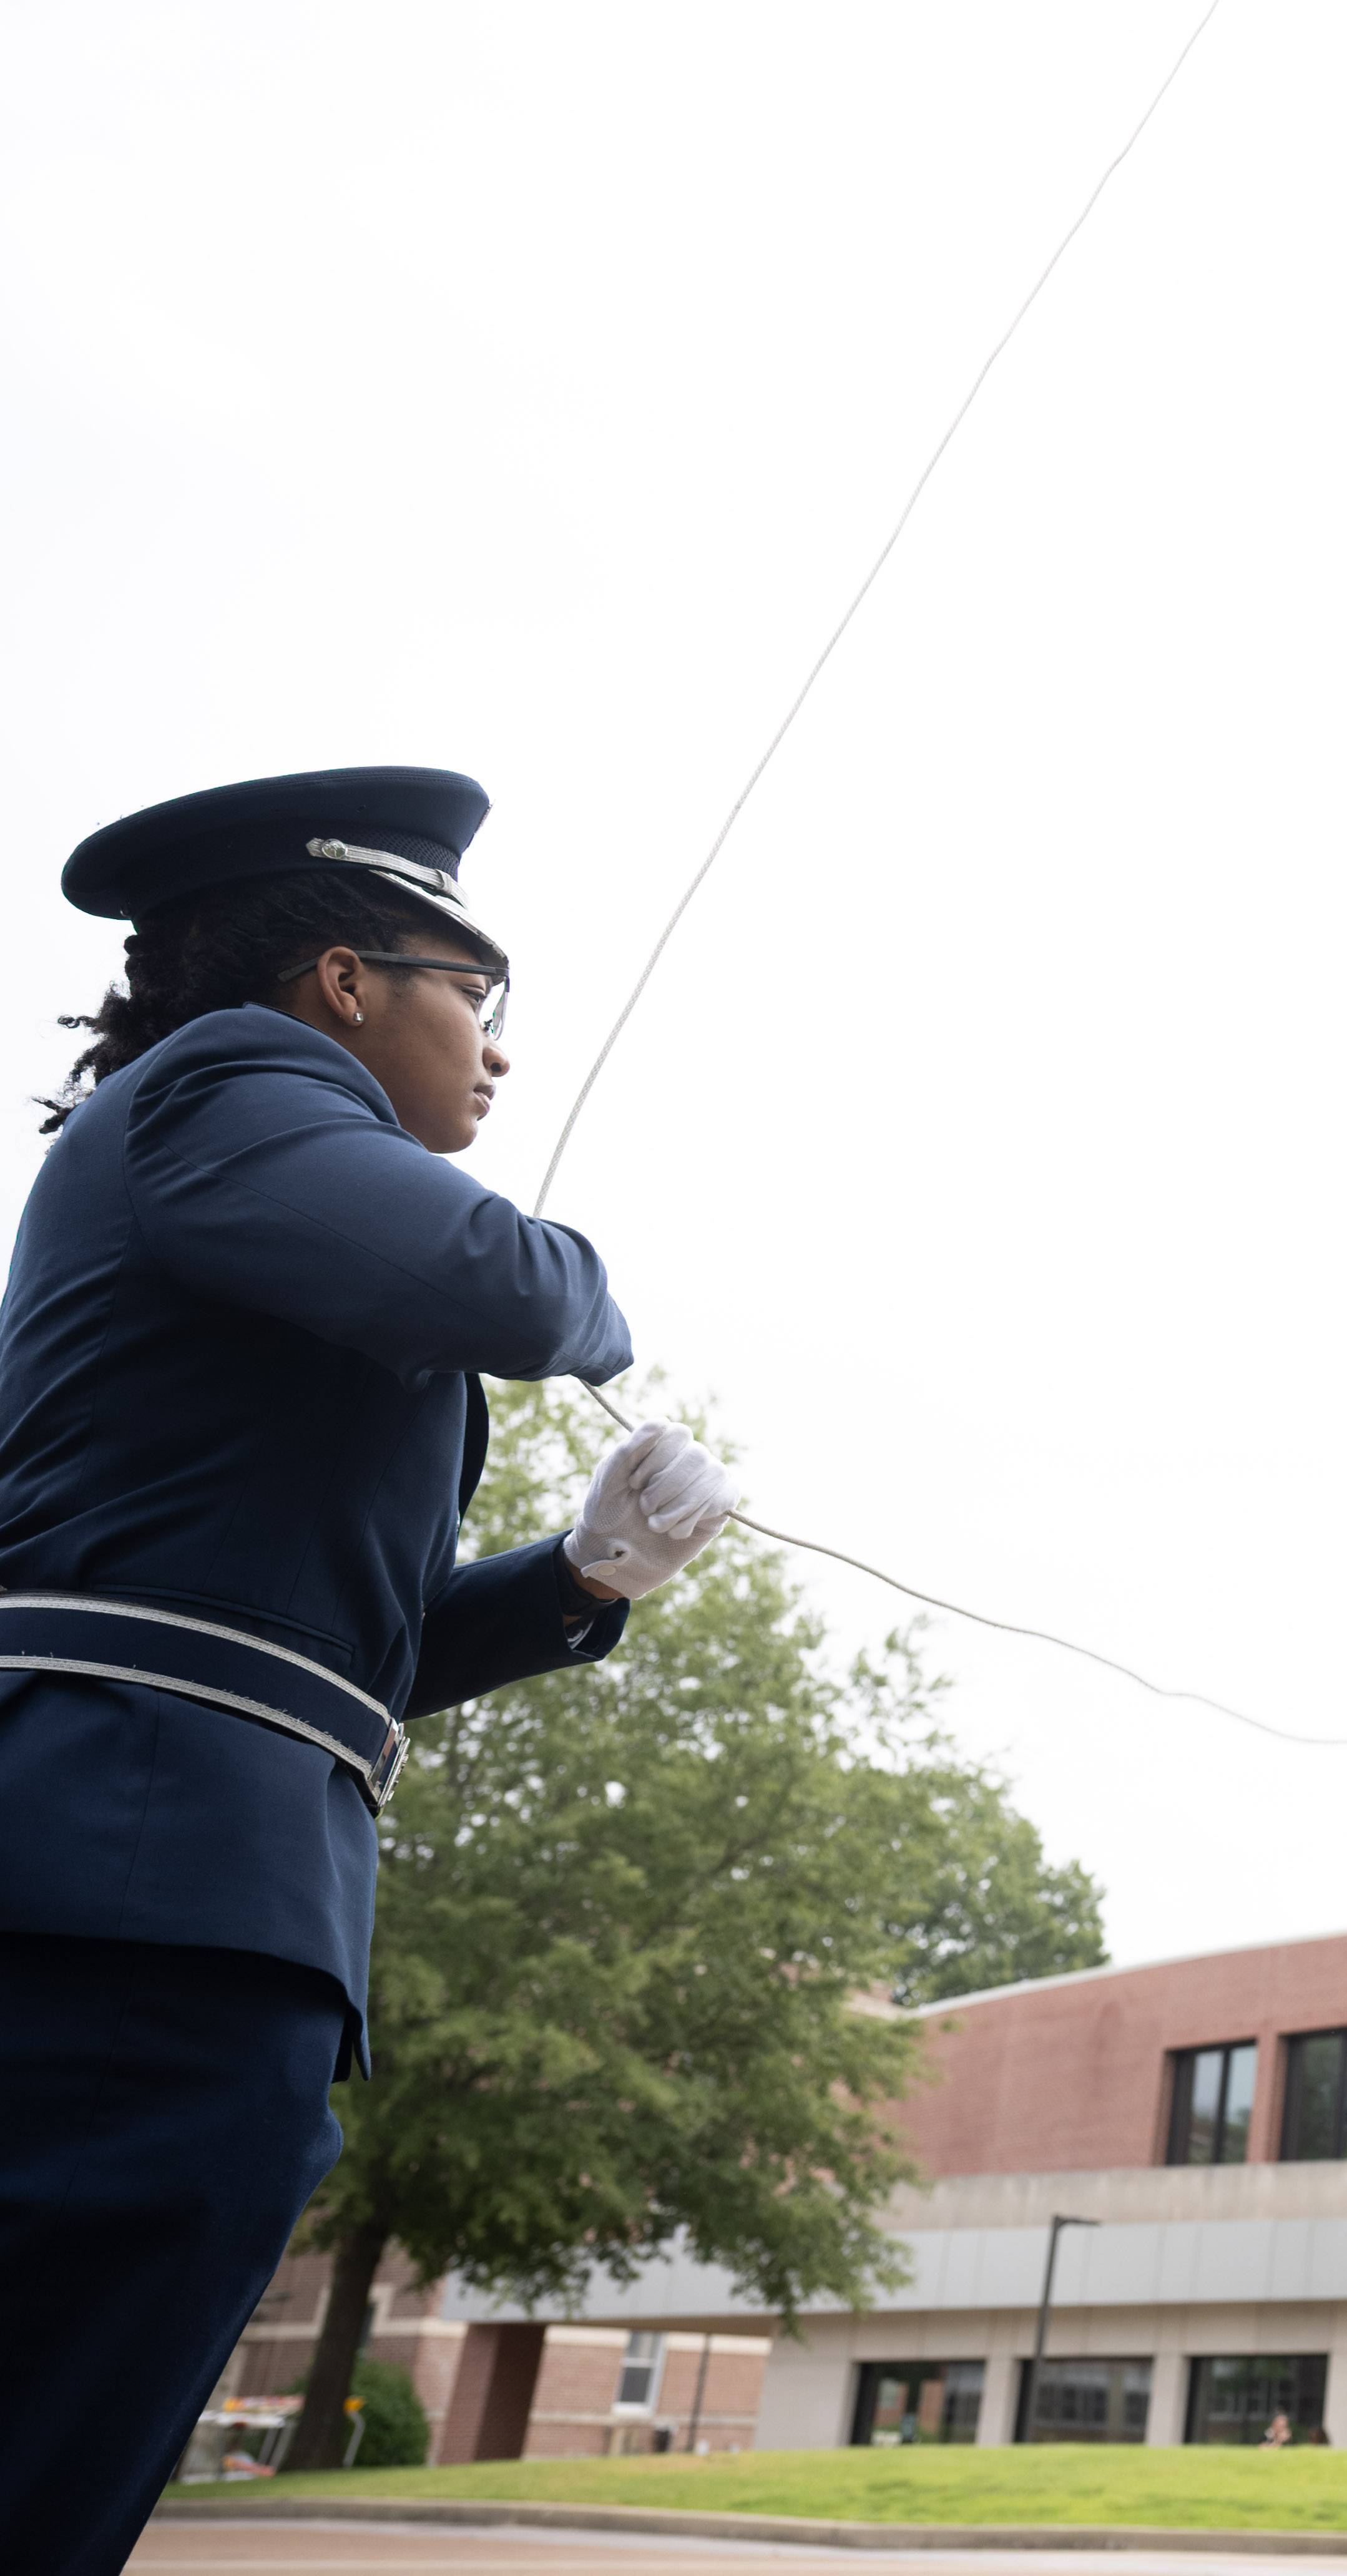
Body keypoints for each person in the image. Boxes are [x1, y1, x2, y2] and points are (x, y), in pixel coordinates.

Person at [0, 769, 740, 2573]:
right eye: (474, 995)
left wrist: (581, 1580)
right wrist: (595, 1296)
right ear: (345, 982)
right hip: (124, 1893)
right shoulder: (233, 1085)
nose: (497, 1048)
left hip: (167, 1876)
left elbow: (328, 1649)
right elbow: (520, 1289)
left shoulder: (249, 1194)